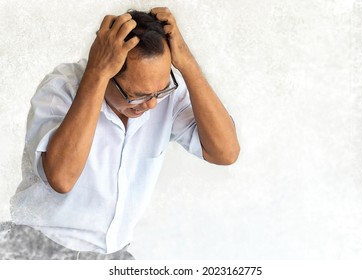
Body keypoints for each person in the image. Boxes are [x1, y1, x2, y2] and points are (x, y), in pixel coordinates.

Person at [0, 7, 239, 260]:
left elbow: (225, 152)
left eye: (160, 91)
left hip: (113, 256)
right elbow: (61, 179)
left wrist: (188, 64)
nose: (151, 105)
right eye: (136, 96)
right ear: (108, 70)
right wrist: (96, 73)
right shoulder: (61, 89)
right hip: (36, 250)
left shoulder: (160, 93)